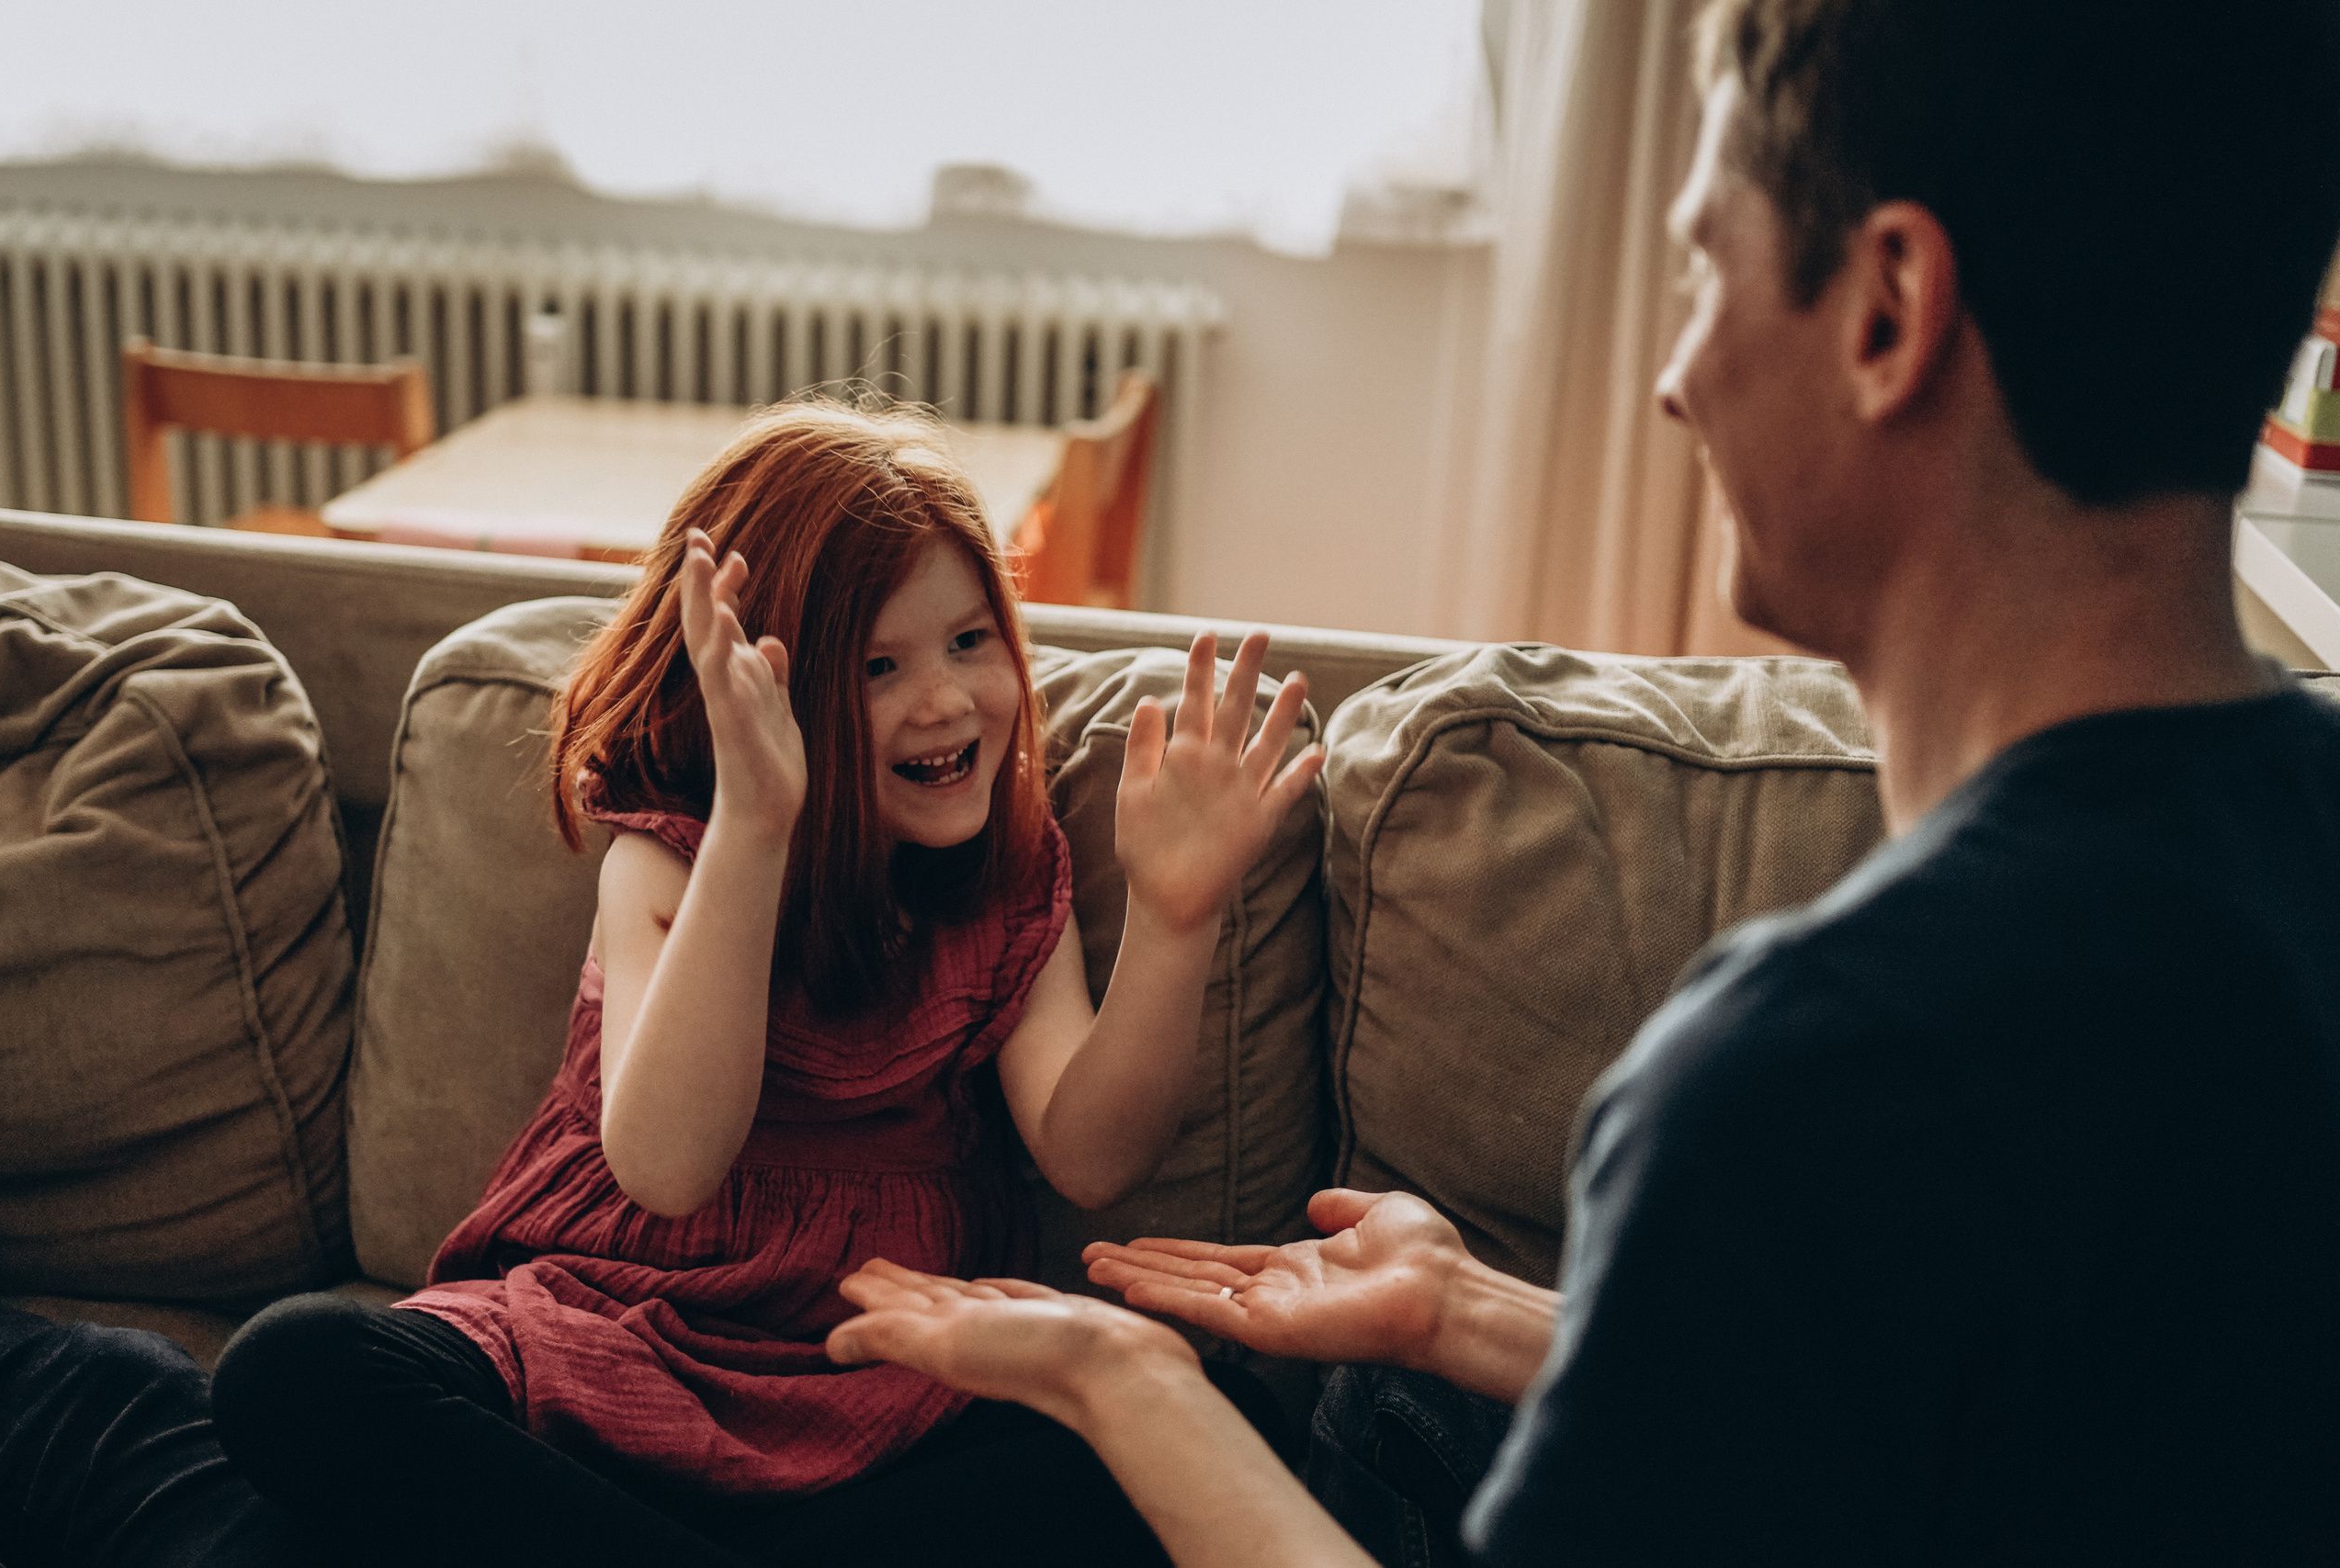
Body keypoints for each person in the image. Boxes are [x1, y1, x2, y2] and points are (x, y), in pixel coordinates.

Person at [824, 1, 2340, 1563]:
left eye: (1705, 270)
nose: (1677, 379)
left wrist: (1125, 1381)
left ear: (1888, 312)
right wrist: (1472, 1312)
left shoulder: (1804, 1081)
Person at [202, 400, 1322, 1565]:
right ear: (760, 690)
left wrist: (1175, 915)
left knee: (1217, 1424)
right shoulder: (671, 857)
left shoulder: (1005, 874)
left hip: (882, 1382)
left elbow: (1091, 1156)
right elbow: (669, 1166)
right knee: (294, 1368)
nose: (944, 701)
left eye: (969, 641)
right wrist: (753, 823)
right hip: (609, 1339)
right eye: (877, 667)